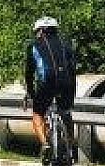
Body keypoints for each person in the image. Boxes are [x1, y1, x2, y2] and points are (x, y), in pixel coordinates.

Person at [23, 16, 77, 165]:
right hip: (66, 83)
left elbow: (29, 73)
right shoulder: (66, 44)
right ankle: (71, 148)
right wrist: (72, 92)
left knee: (38, 113)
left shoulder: (34, 45)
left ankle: (45, 144)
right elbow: (72, 69)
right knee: (66, 113)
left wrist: (31, 92)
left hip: (46, 83)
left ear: (39, 31)